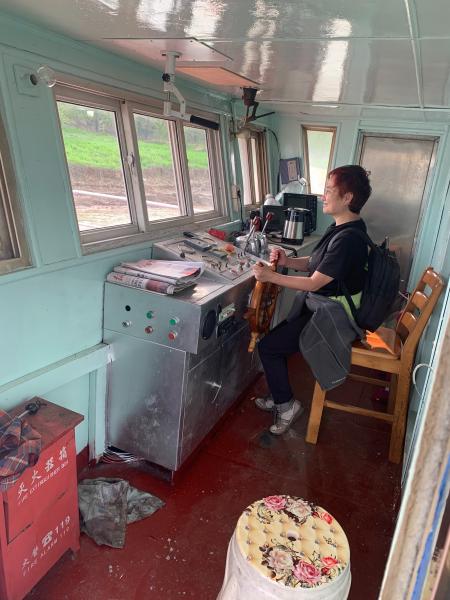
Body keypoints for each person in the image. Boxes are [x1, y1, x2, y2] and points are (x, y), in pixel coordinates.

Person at [252, 165, 372, 435]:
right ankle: (279, 394)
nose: (323, 196)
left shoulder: (348, 239)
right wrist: (287, 261)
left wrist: (271, 277)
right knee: (274, 341)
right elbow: (316, 264)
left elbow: (314, 282)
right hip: (321, 306)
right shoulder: (342, 227)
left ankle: (287, 406)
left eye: (329, 191)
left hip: (334, 317)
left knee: (269, 347)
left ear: (348, 198)